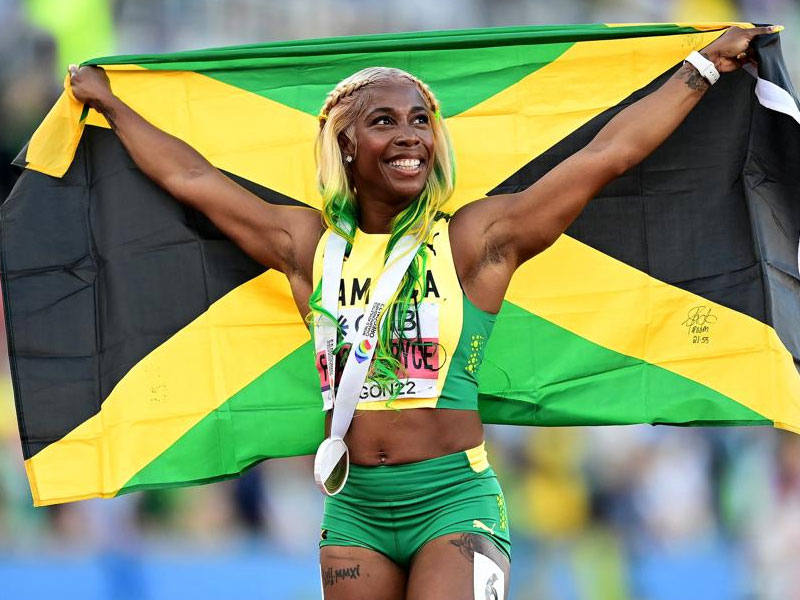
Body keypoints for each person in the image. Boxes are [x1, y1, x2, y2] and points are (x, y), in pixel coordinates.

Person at [67, 24, 778, 600]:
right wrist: (111, 105)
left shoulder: (474, 241)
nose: (410, 134)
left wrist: (702, 69)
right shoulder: (309, 248)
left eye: (420, 121)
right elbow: (192, 177)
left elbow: (605, 156)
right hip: (354, 509)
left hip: (453, 501)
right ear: (346, 144)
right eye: (384, 121)